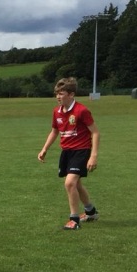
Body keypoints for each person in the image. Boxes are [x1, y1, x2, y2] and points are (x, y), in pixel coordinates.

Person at [37, 76, 100, 229]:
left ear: (71, 94)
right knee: (76, 184)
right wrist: (44, 148)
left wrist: (93, 155)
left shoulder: (81, 110)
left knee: (69, 183)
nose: (58, 97)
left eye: (61, 93)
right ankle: (91, 212)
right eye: (57, 93)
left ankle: (74, 220)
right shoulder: (56, 112)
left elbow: (96, 133)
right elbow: (54, 131)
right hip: (67, 152)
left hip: (81, 151)